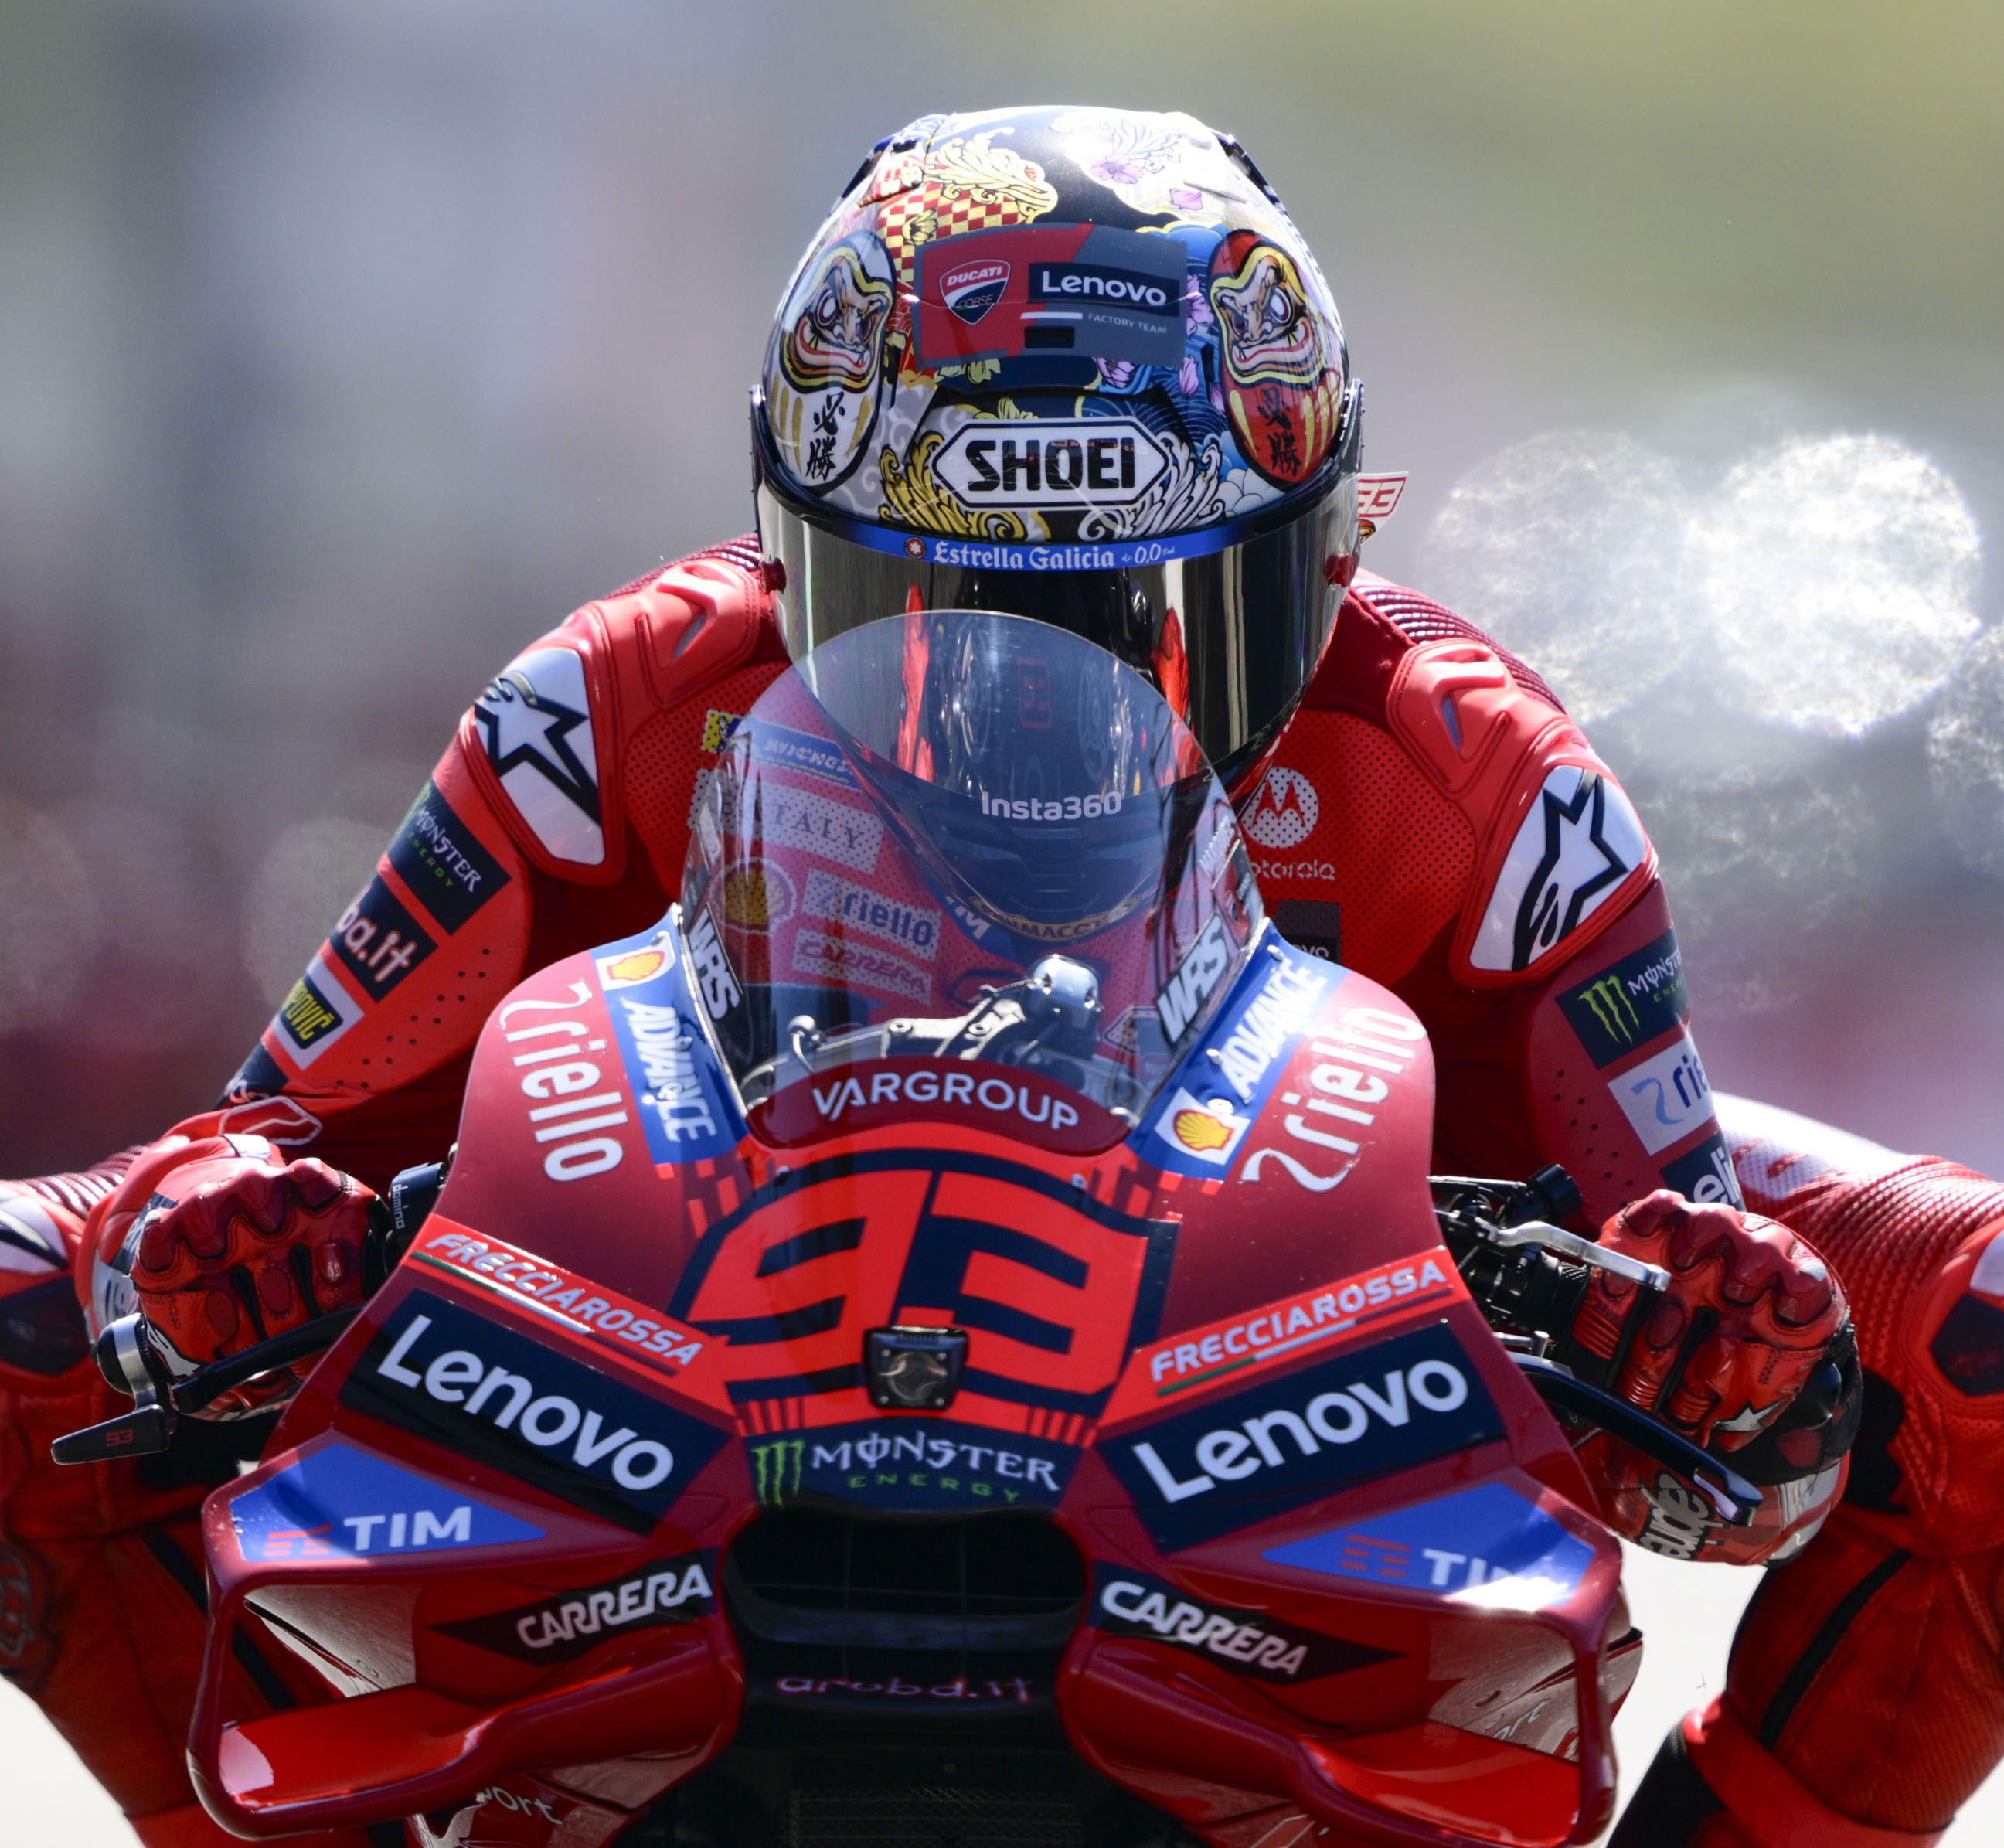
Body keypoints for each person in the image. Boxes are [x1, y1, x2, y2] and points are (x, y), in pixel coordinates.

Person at [0, 106, 1990, 1848]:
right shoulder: (601, 716)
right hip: (687, 1416)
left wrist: (1715, 1334)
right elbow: (249, 1177)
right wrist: (198, 1240)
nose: (1058, 705)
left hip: (1295, 1420)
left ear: (1326, 557)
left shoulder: (1476, 781)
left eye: (1165, 617)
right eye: (940, 608)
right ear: (794, 565)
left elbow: (1728, 1407)